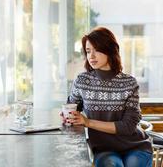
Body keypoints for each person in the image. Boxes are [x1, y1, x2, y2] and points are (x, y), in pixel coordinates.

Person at [62, 27, 152, 167]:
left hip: (135, 146)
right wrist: (67, 115)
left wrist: (88, 122)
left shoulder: (129, 83)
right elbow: (71, 108)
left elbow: (128, 127)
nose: (91, 56)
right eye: (88, 51)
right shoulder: (82, 81)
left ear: (109, 49)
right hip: (104, 149)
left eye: (96, 50)